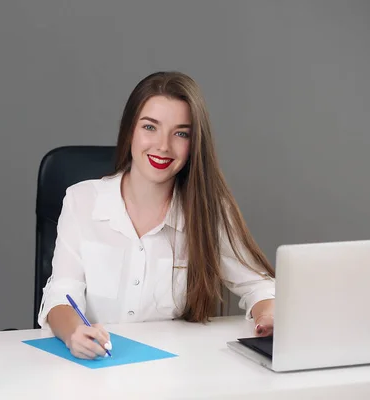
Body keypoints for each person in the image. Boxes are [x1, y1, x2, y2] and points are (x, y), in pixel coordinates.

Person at [37, 71, 276, 360]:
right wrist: (75, 333)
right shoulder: (82, 200)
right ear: (130, 131)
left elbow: (259, 285)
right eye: (150, 127)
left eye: (180, 133)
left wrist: (268, 314)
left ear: (194, 143)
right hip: (93, 369)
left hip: (172, 375)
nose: (163, 146)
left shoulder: (207, 211)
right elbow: (61, 295)